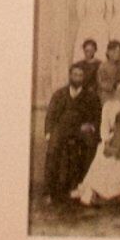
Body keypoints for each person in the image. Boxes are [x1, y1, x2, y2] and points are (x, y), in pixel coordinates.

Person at [40, 59, 104, 208]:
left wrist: (91, 126)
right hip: (62, 129)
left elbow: (97, 116)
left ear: (84, 77)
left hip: (81, 130)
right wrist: (49, 132)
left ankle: (84, 189)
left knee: (90, 146)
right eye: (74, 74)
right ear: (70, 76)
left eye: (80, 75)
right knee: (53, 149)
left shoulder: (91, 96)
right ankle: (49, 191)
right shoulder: (59, 94)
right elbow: (50, 115)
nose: (77, 77)